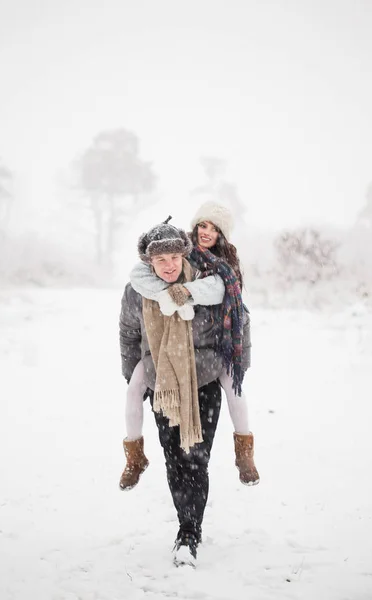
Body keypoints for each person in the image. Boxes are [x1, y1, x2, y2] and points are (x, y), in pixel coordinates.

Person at [119, 219, 251, 566]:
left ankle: (189, 533)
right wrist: (138, 377)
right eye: (160, 260)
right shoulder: (137, 292)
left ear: (183, 254)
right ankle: (183, 519)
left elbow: (240, 319)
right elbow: (128, 334)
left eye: (174, 257)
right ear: (149, 263)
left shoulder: (205, 285)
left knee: (196, 460)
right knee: (174, 461)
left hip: (204, 384)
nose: (169, 265)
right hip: (162, 386)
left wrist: (240, 366)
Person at [122, 201, 259, 490]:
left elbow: (239, 314)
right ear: (194, 227)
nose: (207, 232)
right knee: (133, 387)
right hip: (167, 345)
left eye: (215, 228)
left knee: (235, 388)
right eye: (203, 225)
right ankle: (134, 457)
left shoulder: (225, 266)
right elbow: (142, 275)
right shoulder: (181, 252)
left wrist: (185, 293)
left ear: (223, 235)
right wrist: (168, 293)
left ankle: (244, 452)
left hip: (217, 343)